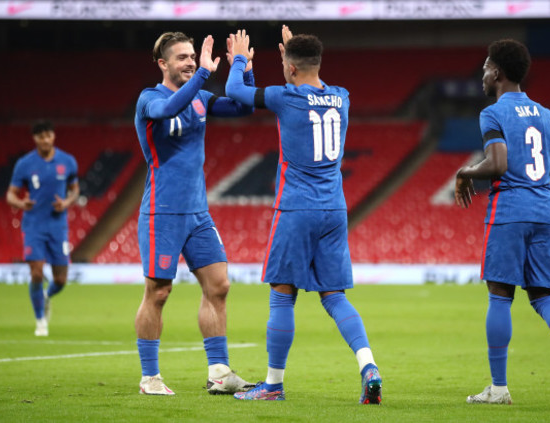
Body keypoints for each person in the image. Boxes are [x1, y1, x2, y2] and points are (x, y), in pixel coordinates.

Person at [225, 27, 382, 404]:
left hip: (296, 207)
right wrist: (294, 55)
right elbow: (312, 84)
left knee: (282, 296)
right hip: (334, 208)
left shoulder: (286, 97)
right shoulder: (342, 97)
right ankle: (369, 366)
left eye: (284, 63)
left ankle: (273, 385)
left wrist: (240, 60)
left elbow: (235, 92)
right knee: (334, 296)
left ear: (291, 68)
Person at [454, 39, 550, 408]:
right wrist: (541, 202)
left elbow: (498, 164)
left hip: (509, 211)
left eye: (486, 68)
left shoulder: (493, 113)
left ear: (497, 73)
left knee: (500, 296)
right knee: (545, 296)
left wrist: (465, 172)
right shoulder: (547, 115)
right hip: (545, 212)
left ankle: (499, 389)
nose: (483, 75)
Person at [134, 31, 256, 396]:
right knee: (158, 292)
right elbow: (168, 110)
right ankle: (150, 378)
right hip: (163, 210)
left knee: (219, 286)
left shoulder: (201, 97)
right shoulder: (149, 99)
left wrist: (243, 67)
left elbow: (244, 107)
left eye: (192, 56)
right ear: (163, 64)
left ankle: (219, 372)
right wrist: (204, 73)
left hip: (198, 213)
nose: (189, 62)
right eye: (182, 58)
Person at [7, 120, 79, 337]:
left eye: (48, 135)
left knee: (61, 280)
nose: (45, 140)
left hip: (59, 226)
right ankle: (40, 321)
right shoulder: (25, 164)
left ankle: (46, 297)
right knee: (36, 273)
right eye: (41, 136)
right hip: (34, 226)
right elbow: (10, 194)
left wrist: (66, 203)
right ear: (35, 139)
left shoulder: (67, 161)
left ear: (53, 136)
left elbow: (75, 190)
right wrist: (20, 204)